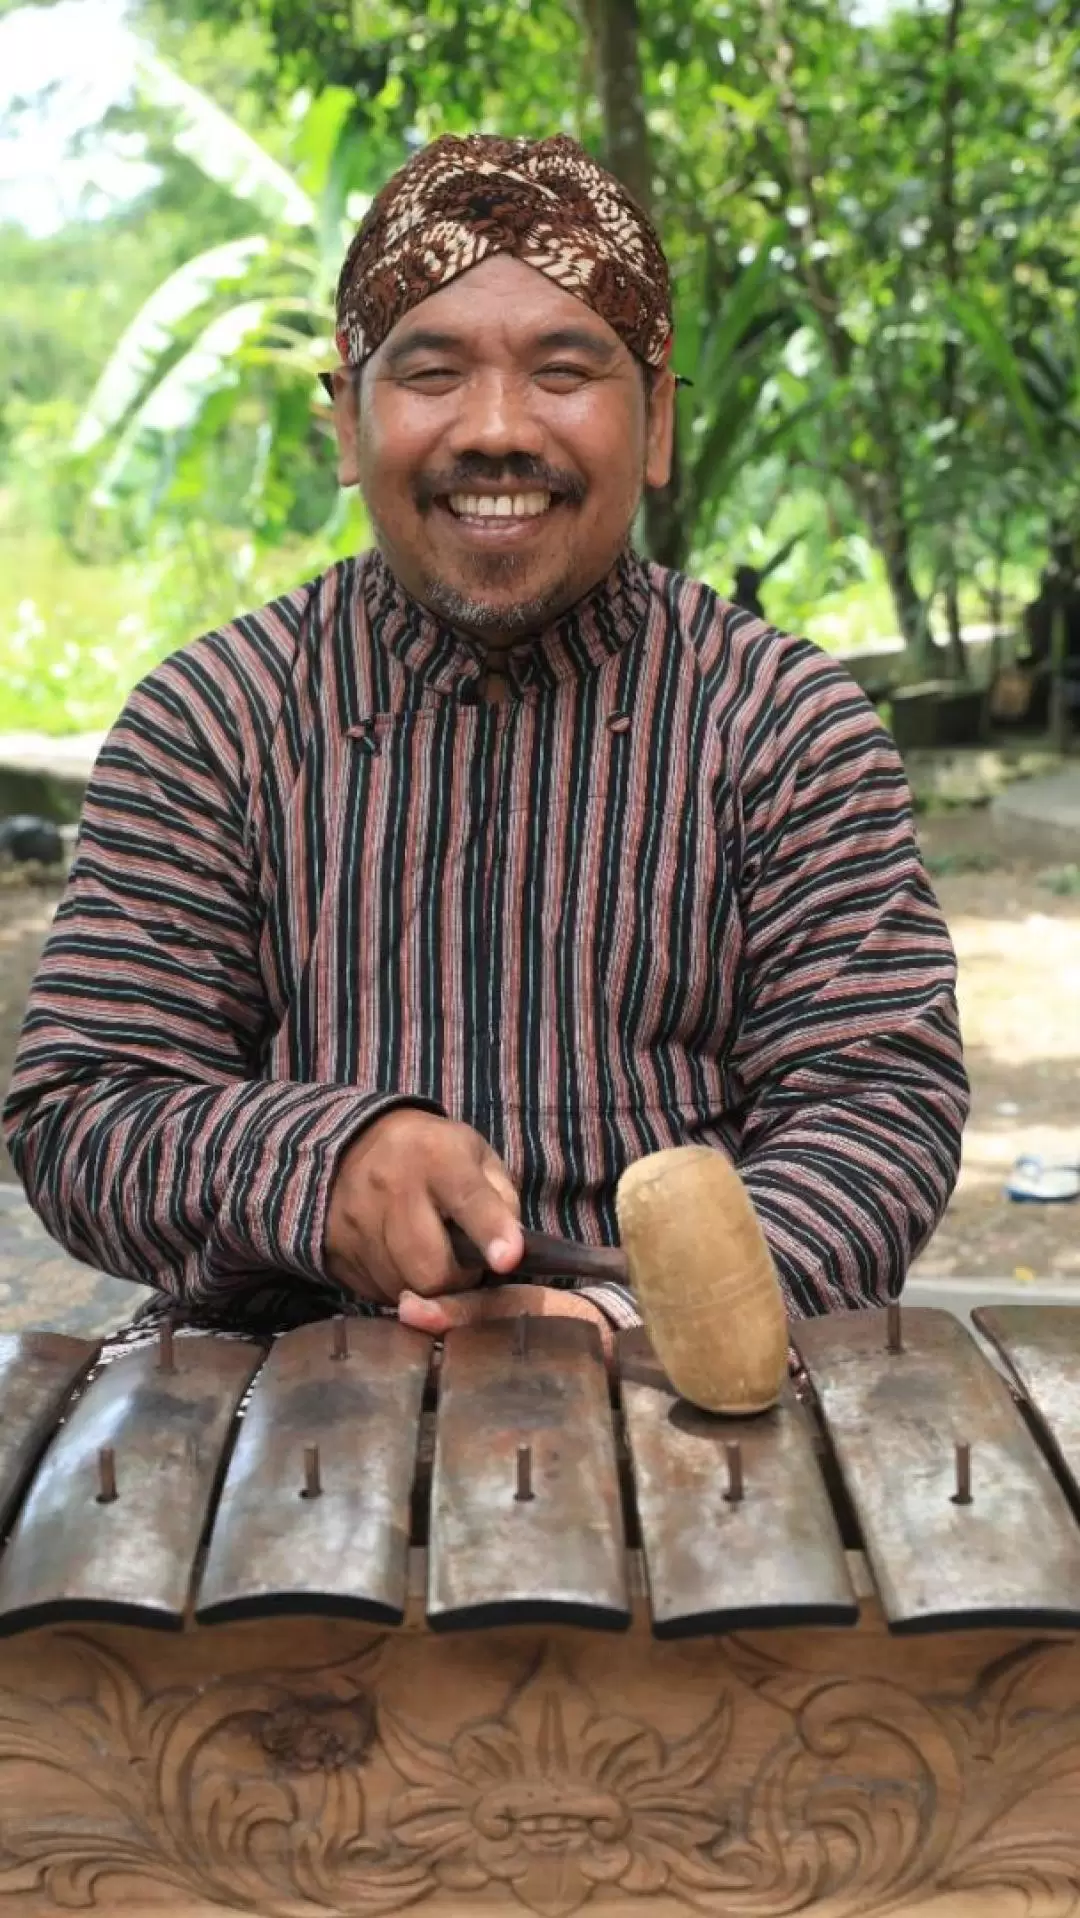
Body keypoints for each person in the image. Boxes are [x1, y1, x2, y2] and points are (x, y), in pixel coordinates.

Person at [2, 134, 969, 1358]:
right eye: (433, 371)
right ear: (350, 422)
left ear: (658, 424)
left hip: (679, 1402)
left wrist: (642, 1313)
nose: (499, 428)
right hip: (276, 1401)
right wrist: (319, 1161)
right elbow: (86, 1107)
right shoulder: (211, 724)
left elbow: (881, 1108)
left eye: (566, 369)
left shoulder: (784, 727)